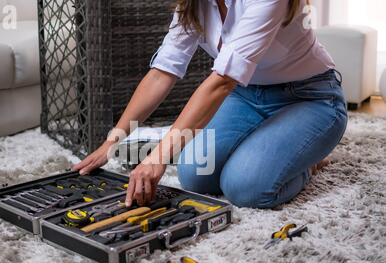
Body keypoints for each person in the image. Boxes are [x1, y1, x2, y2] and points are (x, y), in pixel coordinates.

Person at [73, 0, 347, 209]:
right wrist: (113, 141)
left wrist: (156, 157)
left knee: (245, 188)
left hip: (310, 98)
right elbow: (162, 72)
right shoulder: (193, 4)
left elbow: (221, 82)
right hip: (247, 96)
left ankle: (307, 164)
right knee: (195, 175)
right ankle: (270, 146)